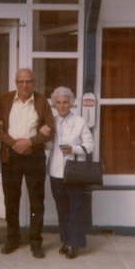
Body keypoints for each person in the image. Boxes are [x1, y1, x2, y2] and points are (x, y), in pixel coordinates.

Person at [0, 68, 55, 259]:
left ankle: (36, 242)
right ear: (15, 82)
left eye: (28, 81)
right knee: (11, 199)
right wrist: (15, 145)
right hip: (11, 156)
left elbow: (50, 130)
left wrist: (30, 142)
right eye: (21, 81)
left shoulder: (41, 101)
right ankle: (12, 239)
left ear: (34, 82)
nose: (24, 85)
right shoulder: (5, 99)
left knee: (37, 200)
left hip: (34, 155)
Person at [42, 86, 94, 259]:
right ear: (54, 104)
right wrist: (45, 137)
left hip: (75, 172)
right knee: (62, 209)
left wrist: (73, 149)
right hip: (57, 172)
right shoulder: (52, 122)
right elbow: (49, 146)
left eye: (65, 102)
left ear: (71, 103)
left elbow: (89, 145)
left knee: (76, 209)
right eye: (59, 102)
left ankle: (75, 243)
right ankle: (65, 240)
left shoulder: (79, 122)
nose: (62, 105)